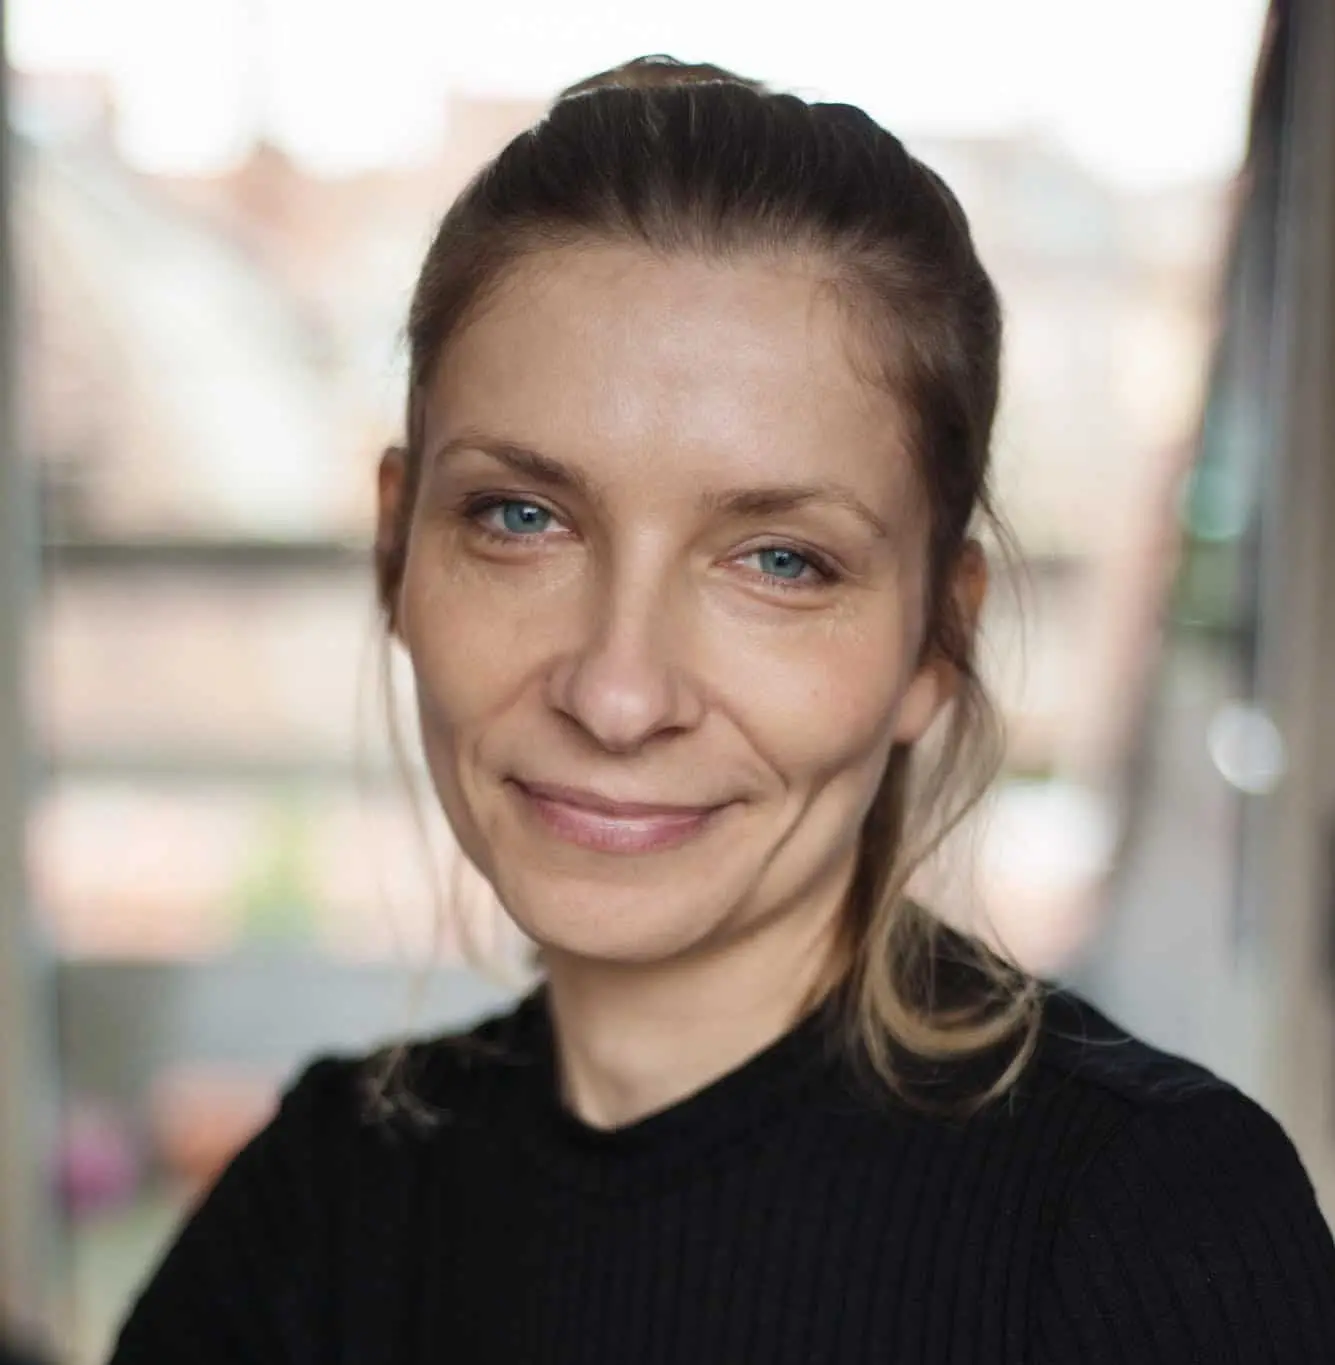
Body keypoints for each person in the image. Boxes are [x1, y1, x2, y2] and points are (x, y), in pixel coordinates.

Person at [109, 56, 1335, 1364]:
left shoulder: (1145, 1226)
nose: (617, 693)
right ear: (394, 548)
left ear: (938, 637)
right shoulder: (322, 1208)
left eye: (779, 561)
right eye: (522, 519)